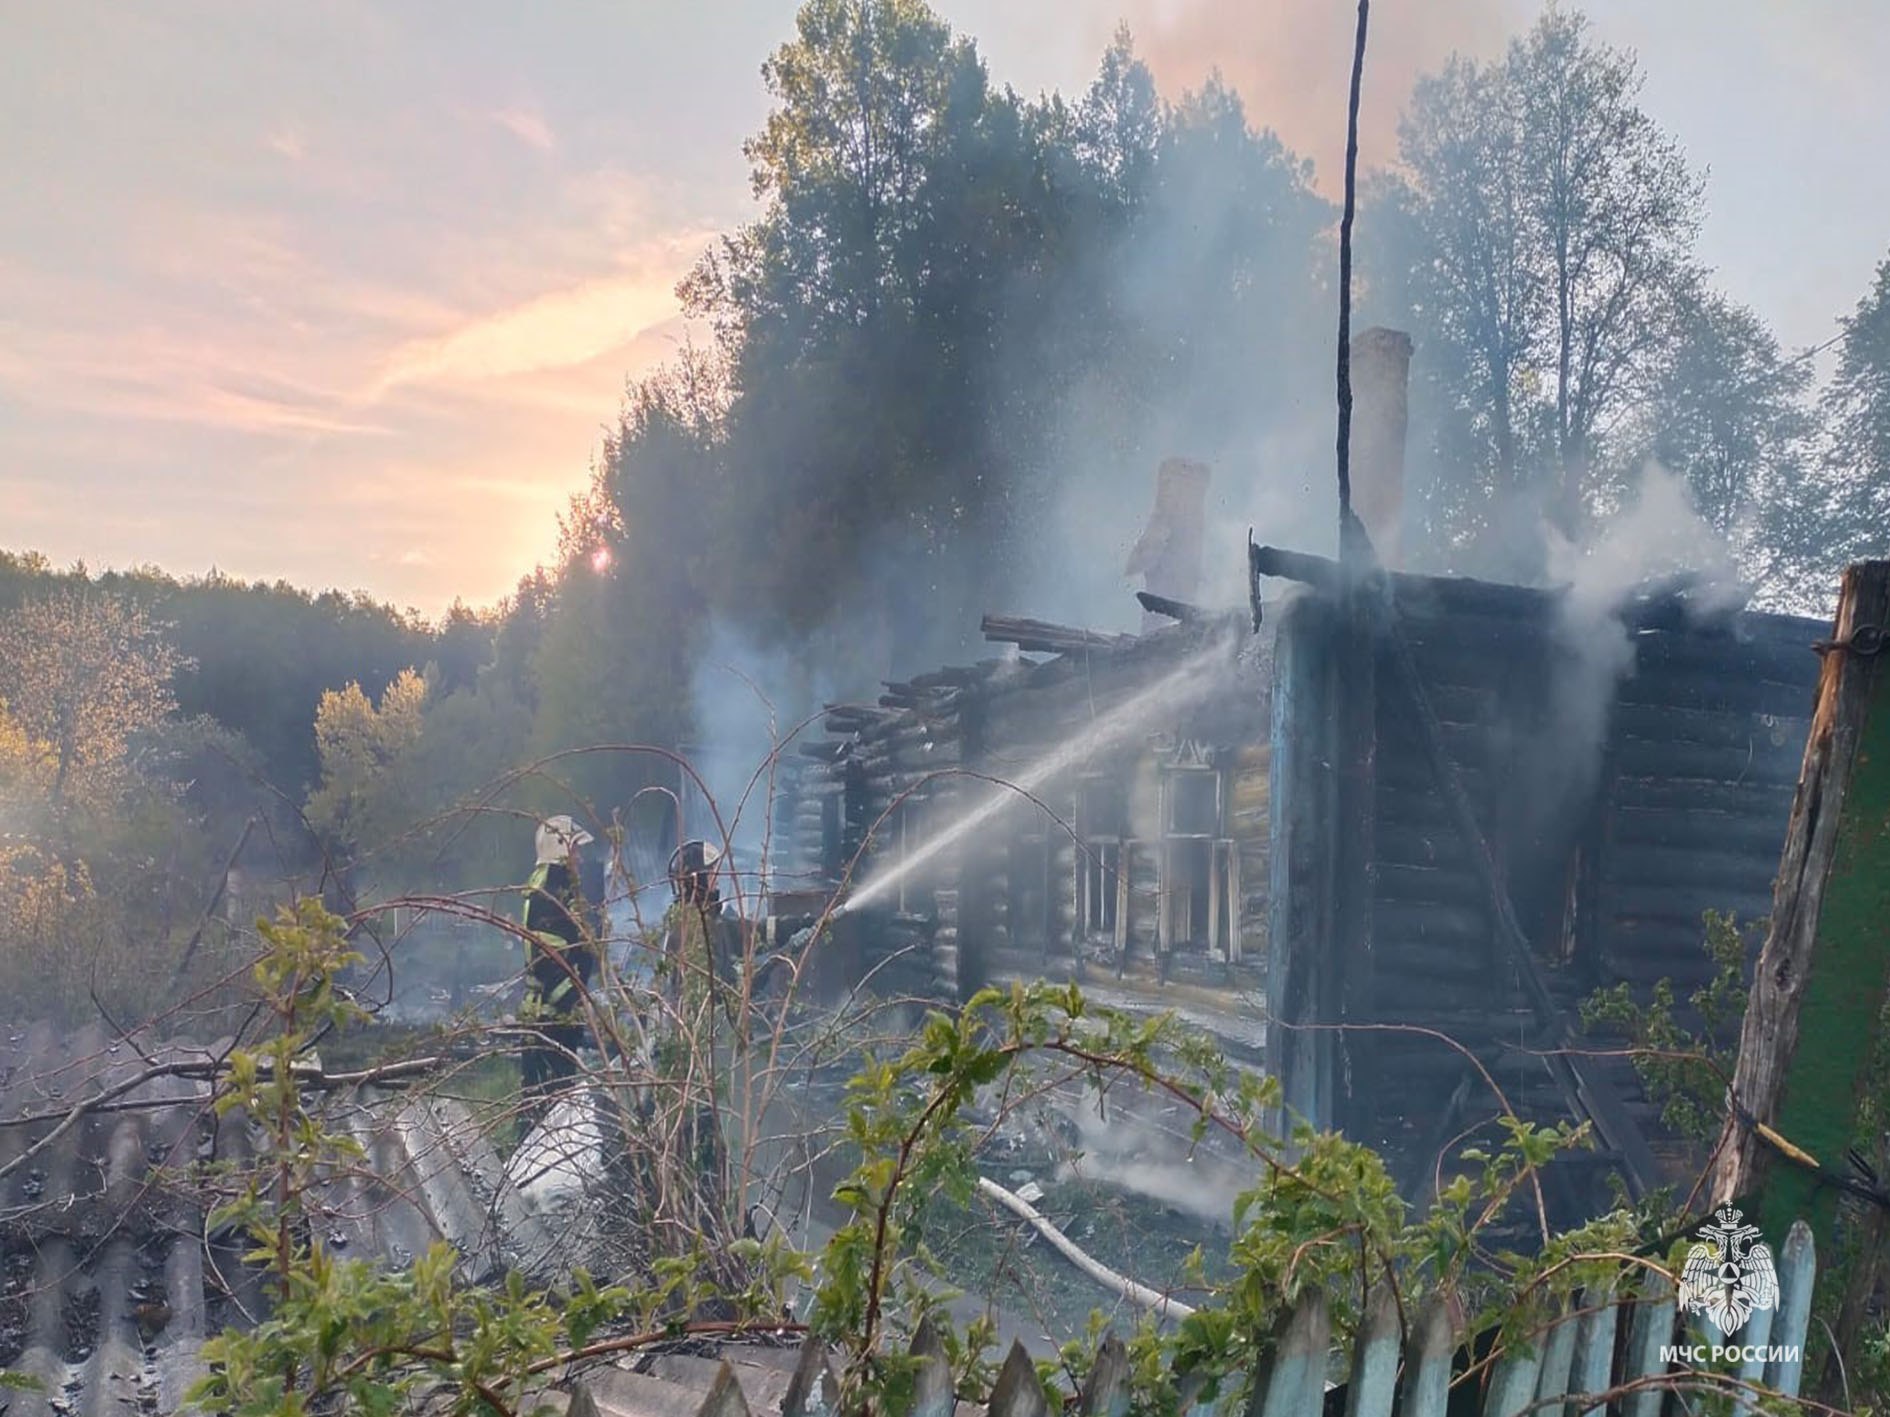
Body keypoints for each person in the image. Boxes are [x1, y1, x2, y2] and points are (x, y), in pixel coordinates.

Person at [518, 815, 599, 1104]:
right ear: (561, 850)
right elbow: (549, 968)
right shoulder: (547, 897)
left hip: (555, 1022)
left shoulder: (558, 893)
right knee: (546, 1110)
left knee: (554, 1108)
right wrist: (577, 1007)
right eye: (575, 849)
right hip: (549, 1024)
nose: (580, 858)